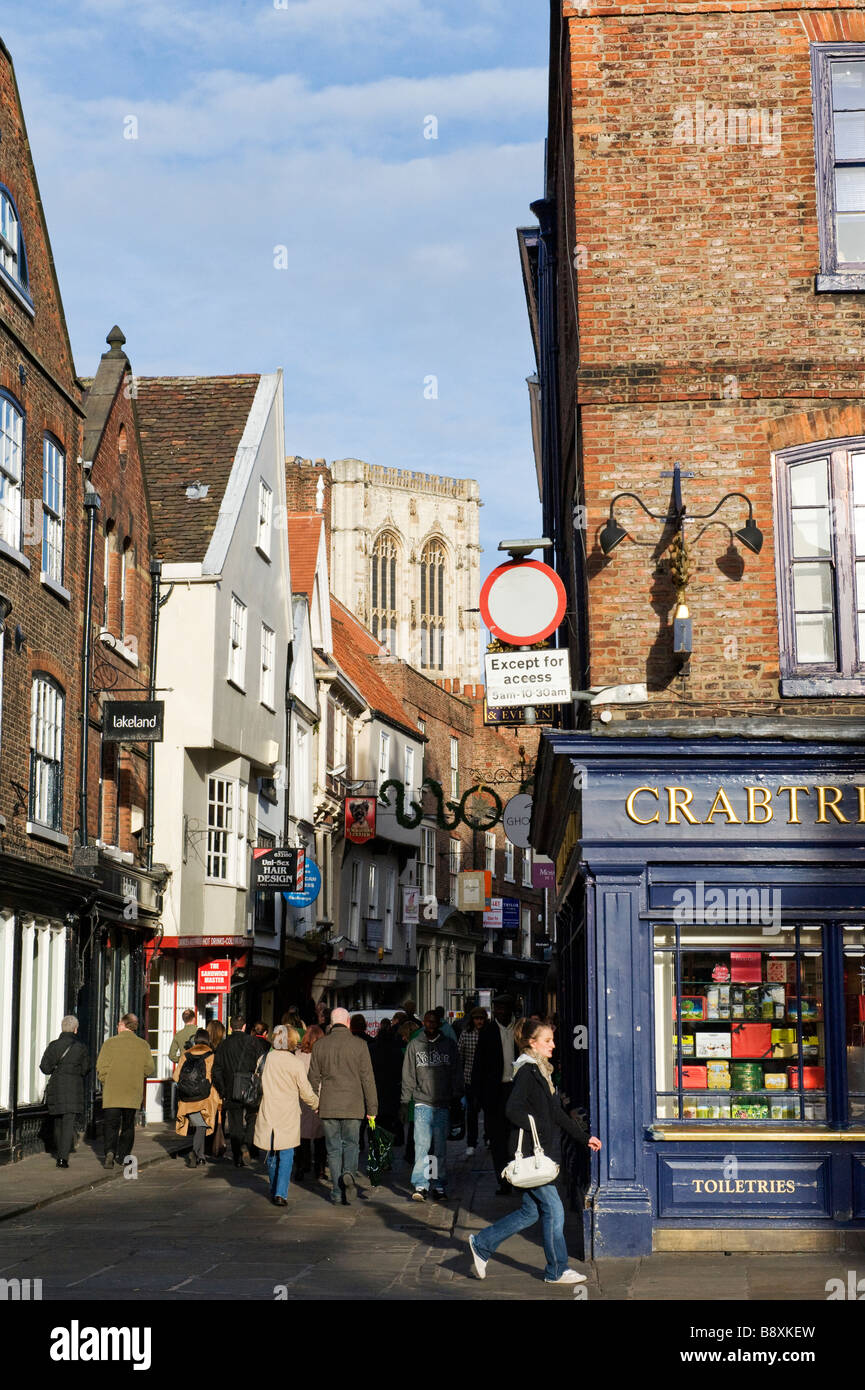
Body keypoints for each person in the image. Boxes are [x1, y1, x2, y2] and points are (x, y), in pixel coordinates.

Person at [468, 1017, 602, 1286]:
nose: (553, 1045)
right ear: (532, 1043)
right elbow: (512, 1110)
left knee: (530, 1212)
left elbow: (557, 1113)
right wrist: (538, 1125)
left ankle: (482, 1243)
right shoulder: (528, 1072)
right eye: (547, 1041)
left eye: (552, 1040)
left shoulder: (542, 1071)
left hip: (538, 1152)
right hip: (530, 1153)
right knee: (554, 1209)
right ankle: (557, 1270)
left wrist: (584, 1137)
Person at [308, 1006, 378, 1205]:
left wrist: (314, 1102)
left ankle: (337, 1192)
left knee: (333, 1149)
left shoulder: (320, 1046)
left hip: (328, 1104)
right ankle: (349, 1173)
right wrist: (372, 1109)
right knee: (351, 1144)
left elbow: (312, 1078)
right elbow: (368, 1079)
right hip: (353, 1105)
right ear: (348, 1023)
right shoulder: (360, 1045)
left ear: (331, 1023)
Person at [401, 1010, 463, 1201]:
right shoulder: (414, 1045)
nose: (430, 1025)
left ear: (439, 1024)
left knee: (439, 1148)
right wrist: (404, 1102)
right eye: (427, 1022)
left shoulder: (449, 1046)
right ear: (423, 1024)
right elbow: (408, 1075)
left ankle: (438, 1184)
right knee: (422, 1145)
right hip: (421, 1102)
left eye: (434, 1022)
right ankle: (421, 1184)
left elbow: (456, 1072)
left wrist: (457, 1096)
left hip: (443, 1102)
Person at [254, 1024, 319, 1206]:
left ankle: (274, 1187)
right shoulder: (295, 1063)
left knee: (272, 1152)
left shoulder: (264, 1059)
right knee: (287, 1152)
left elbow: (258, 1084)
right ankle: (280, 1192)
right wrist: (316, 1104)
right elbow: (305, 1091)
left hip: (268, 1110)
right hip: (288, 1112)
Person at [96, 1013, 156, 1169]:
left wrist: (106, 1081)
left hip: (112, 1091)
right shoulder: (143, 1045)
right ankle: (123, 1155)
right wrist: (136, 1075)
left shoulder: (110, 1043)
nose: (117, 1027)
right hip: (132, 1090)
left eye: (118, 1024)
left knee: (111, 1124)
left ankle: (109, 1152)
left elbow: (101, 1067)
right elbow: (149, 1069)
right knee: (128, 1125)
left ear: (123, 1025)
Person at [472, 995, 517, 1194]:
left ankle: (519, 1177)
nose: (499, 1011)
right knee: (498, 1139)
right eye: (496, 1008)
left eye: (502, 1008)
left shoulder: (521, 1029)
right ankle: (503, 1181)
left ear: (511, 1009)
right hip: (496, 1092)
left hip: (517, 1090)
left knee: (516, 1137)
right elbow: (478, 1065)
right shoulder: (488, 1031)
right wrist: (480, 1097)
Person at [40, 1015, 89, 1168]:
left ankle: (59, 1150)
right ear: (75, 1029)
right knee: (68, 1122)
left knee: (57, 1121)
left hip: (56, 1087)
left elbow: (44, 1068)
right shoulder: (81, 1047)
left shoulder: (53, 1046)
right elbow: (86, 1068)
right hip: (73, 1088)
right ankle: (63, 1157)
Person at [212, 1015, 260, 1168]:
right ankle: (247, 1142)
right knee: (253, 1117)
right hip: (250, 1086)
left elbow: (216, 1070)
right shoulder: (253, 1042)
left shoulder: (224, 1045)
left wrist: (222, 1089)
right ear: (245, 1026)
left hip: (231, 1088)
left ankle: (237, 1157)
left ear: (231, 1027)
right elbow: (261, 1064)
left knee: (235, 1124)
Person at [174, 1028, 219, 1168]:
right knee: (202, 1125)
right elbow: (213, 1077)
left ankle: (200, 1155)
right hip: (205, 1097)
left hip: (188, 1097)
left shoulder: (185, 1054)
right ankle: (195, 1152)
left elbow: (176, 1076)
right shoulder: (211, 1055)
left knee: (200, 1124)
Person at [294, 1024, 326, 1182]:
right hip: (321, 1097)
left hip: (302, 1098)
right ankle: (320, 1168)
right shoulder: (324, 1055)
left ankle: (301, 1165)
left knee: (302, 1134)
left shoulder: (298, 1055)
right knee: (321, 1135)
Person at [458, 1006, 488, 1155]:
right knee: (472, 1112)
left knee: (488, 1110)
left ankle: (488, 1137)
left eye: (481, 1019)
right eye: (477, 1019)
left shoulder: (489, 1033)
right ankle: (471, 1142)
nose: (479, 1021)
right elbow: (460, 1055)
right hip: (470, 1078)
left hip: (487, 1078)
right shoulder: (466, 1034)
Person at [371, 1017, 403, 1141]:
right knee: (390, 1119)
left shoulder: (372, 1050)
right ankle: (392, 1139)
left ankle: (376, 1140)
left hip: (376, 1090)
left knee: (375, 1121)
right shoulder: (396, 1051)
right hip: (392, 1090)